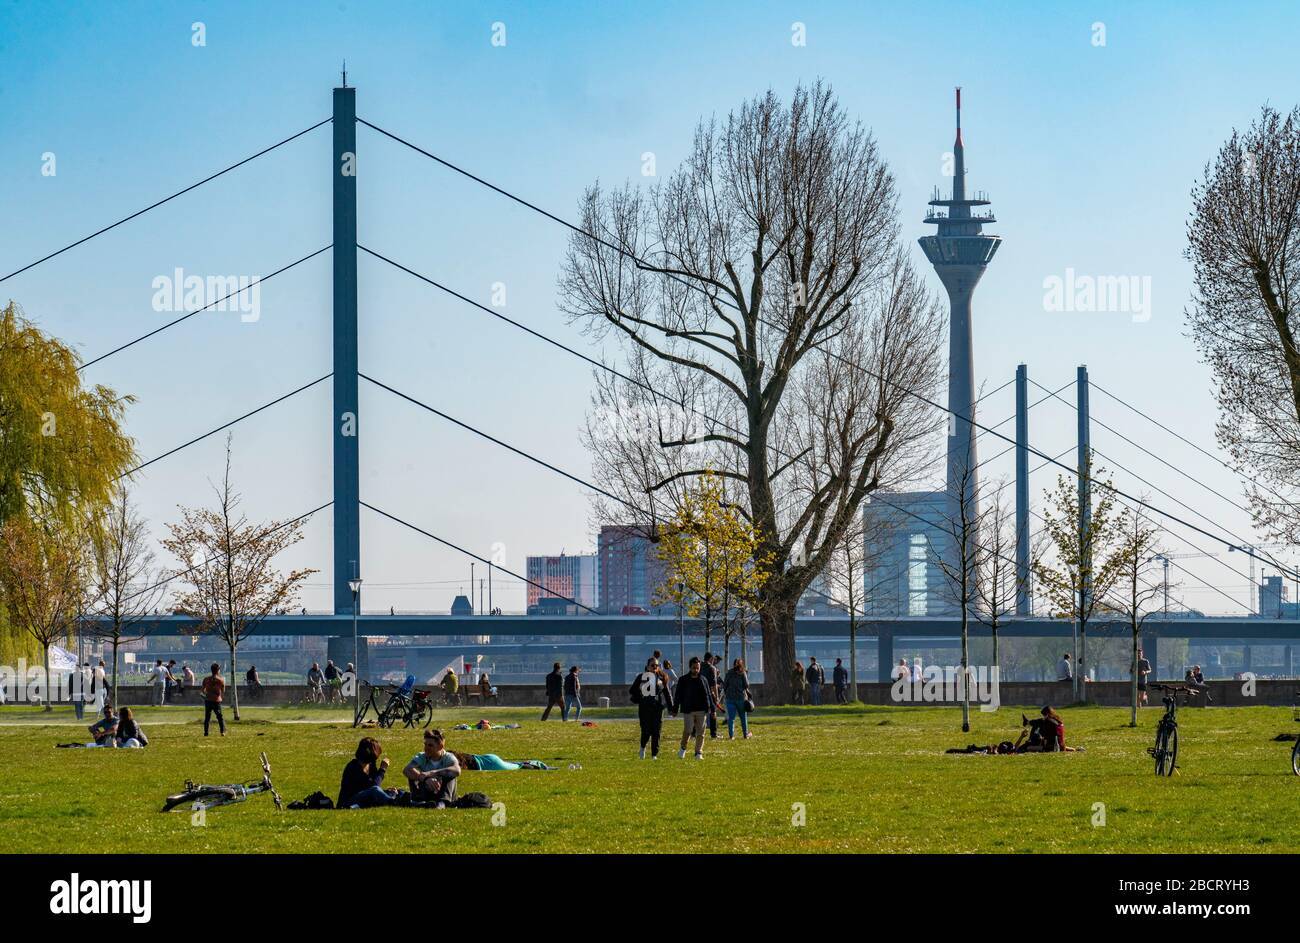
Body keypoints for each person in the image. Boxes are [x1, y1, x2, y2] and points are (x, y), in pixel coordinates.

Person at [403, 728, 461, 806]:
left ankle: (442, 803)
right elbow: (406, 770)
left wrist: (431, 773)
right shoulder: (422, 756)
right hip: (426, 793)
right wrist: (425, 778)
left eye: (430, 745)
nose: (426, 748)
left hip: (444, 795)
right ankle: (418, 800)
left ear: (440, 746)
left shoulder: (448, 757)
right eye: (425, 744)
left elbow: (457, 770)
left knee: (451, 774)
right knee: (412, 773)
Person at [338, 737, 395, 808]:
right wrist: (382, 769)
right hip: (348, 802)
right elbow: (374, 787)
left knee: (393, 791)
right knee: (376, 790)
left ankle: (408, 800)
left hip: (365, 797)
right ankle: (395, 803)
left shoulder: (371, 765)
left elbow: (373, 786)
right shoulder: (353, 767)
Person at [632, 656, 672, 759]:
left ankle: (654, 754)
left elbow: (667, 693)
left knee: (656, 731)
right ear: (647, 666)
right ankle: (642, 747)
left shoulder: (662, 677)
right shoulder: (642, 677)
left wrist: (672, 707)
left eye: (657, 665)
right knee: (646, 730)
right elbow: (632, 690)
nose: (655, 667)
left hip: (658, 707)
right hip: (645, 707)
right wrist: (641, 697)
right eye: (652, 665)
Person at [673, 657, 712, 759]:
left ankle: (698, 752)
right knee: (688, 730)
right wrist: (675, 709)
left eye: (698, 668)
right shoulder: (683, 680)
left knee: (701, 732)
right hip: (688, 710)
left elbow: (708, 694)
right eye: (694, 668)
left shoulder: (703, 679)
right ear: (690, 667)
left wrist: (712, 708)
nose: (696, 670)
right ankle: (683, 748)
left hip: (701, 710)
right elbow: (678, 696)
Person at [723, 658, 752, 740]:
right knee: (743, 717)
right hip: (741, 698)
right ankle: (745, 735)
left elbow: (725, 685)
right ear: (741, 664)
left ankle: (731, 736)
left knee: (731, 718)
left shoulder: (729, 673)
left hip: (730, 698)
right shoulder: (742, 673)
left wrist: (727, 692)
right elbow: (746, 685)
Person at [201, 663, 226, 737]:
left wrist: (206, 695)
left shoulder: (206, 679)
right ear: (218, 670)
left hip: (208, 700)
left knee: (207, 717)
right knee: (219, 717)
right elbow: (223, 690)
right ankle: (222, 731)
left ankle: (206, 733)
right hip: (216, 700)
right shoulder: (220, 680)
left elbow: (202, 690)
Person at [699, 652, 720, 738]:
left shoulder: (699, 666)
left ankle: (693, 733)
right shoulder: (712, 668)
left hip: (699, 692)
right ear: (711, 659)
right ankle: (713, 733)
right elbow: (714, 684)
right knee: (713, 713)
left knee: (698, 713)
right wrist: (717, 696)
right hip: (710, 693)